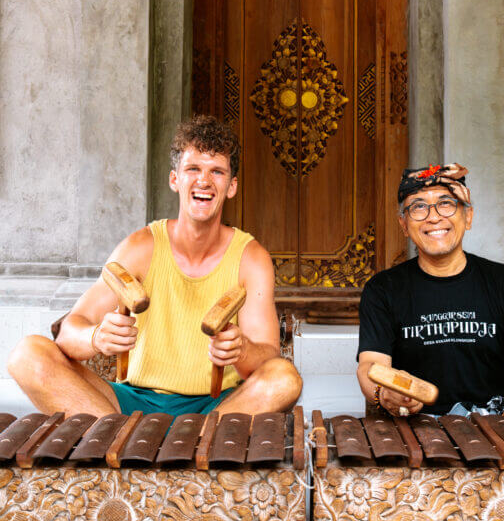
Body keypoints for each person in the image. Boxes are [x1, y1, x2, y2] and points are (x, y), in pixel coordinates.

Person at [8, 115, 302, 418]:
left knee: (284, 378)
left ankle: (180, 441)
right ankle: (125, 436)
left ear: (231, 186)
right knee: (27, 355)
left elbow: (268, 359)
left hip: (217, 406)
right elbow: (68, 332)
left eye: (217, 171)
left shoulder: (251, 258)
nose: (204, 180)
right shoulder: (140, 247)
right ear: (175, 179)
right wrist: (96, 337)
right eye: (193, 169)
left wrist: (241, 349)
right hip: (131, 403)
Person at [357, 163, 504, 418]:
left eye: (446, 203)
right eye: (419, 206)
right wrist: (385, 393)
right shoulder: (383, 289)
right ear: (404, 225)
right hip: (415, 427)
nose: (433, 217)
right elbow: (370, 365)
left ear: (468, 217)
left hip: (496, 424)